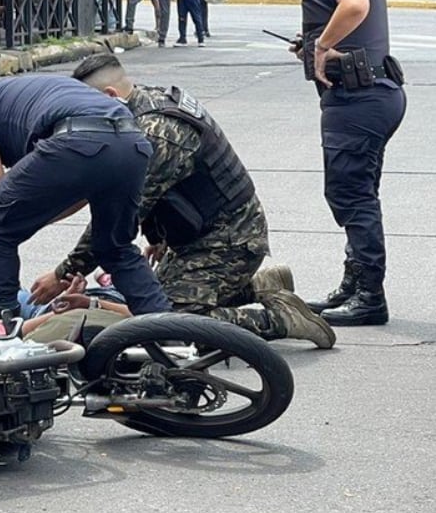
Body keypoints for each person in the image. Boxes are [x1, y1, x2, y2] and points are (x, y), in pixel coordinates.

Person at [34, 53, 335, 348]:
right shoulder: (145, 103)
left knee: (171, 324)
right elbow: (161, 192)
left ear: (111, 95)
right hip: (203, 236)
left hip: (230, 241)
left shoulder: (157, 134)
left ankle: (282, 319)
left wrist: (63, 274)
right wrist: (159, 234)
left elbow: (116, 219)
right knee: (149, 301)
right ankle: (261, 285)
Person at [0, 71, 172, 322]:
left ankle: (5, 328)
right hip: (133, 143)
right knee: (115, 247)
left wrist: (11, 224)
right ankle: (169, 332)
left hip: (77, 139)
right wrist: (30, 215)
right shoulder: (29, 92)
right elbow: (73, 194)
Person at [292, 0, 407, 326]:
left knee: (350, 196)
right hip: (378, 94)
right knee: (360, 192)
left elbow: (355, 5)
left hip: (359, 101)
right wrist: (312, 40)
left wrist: (321, 46)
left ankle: (369, 295)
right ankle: (354, 285)